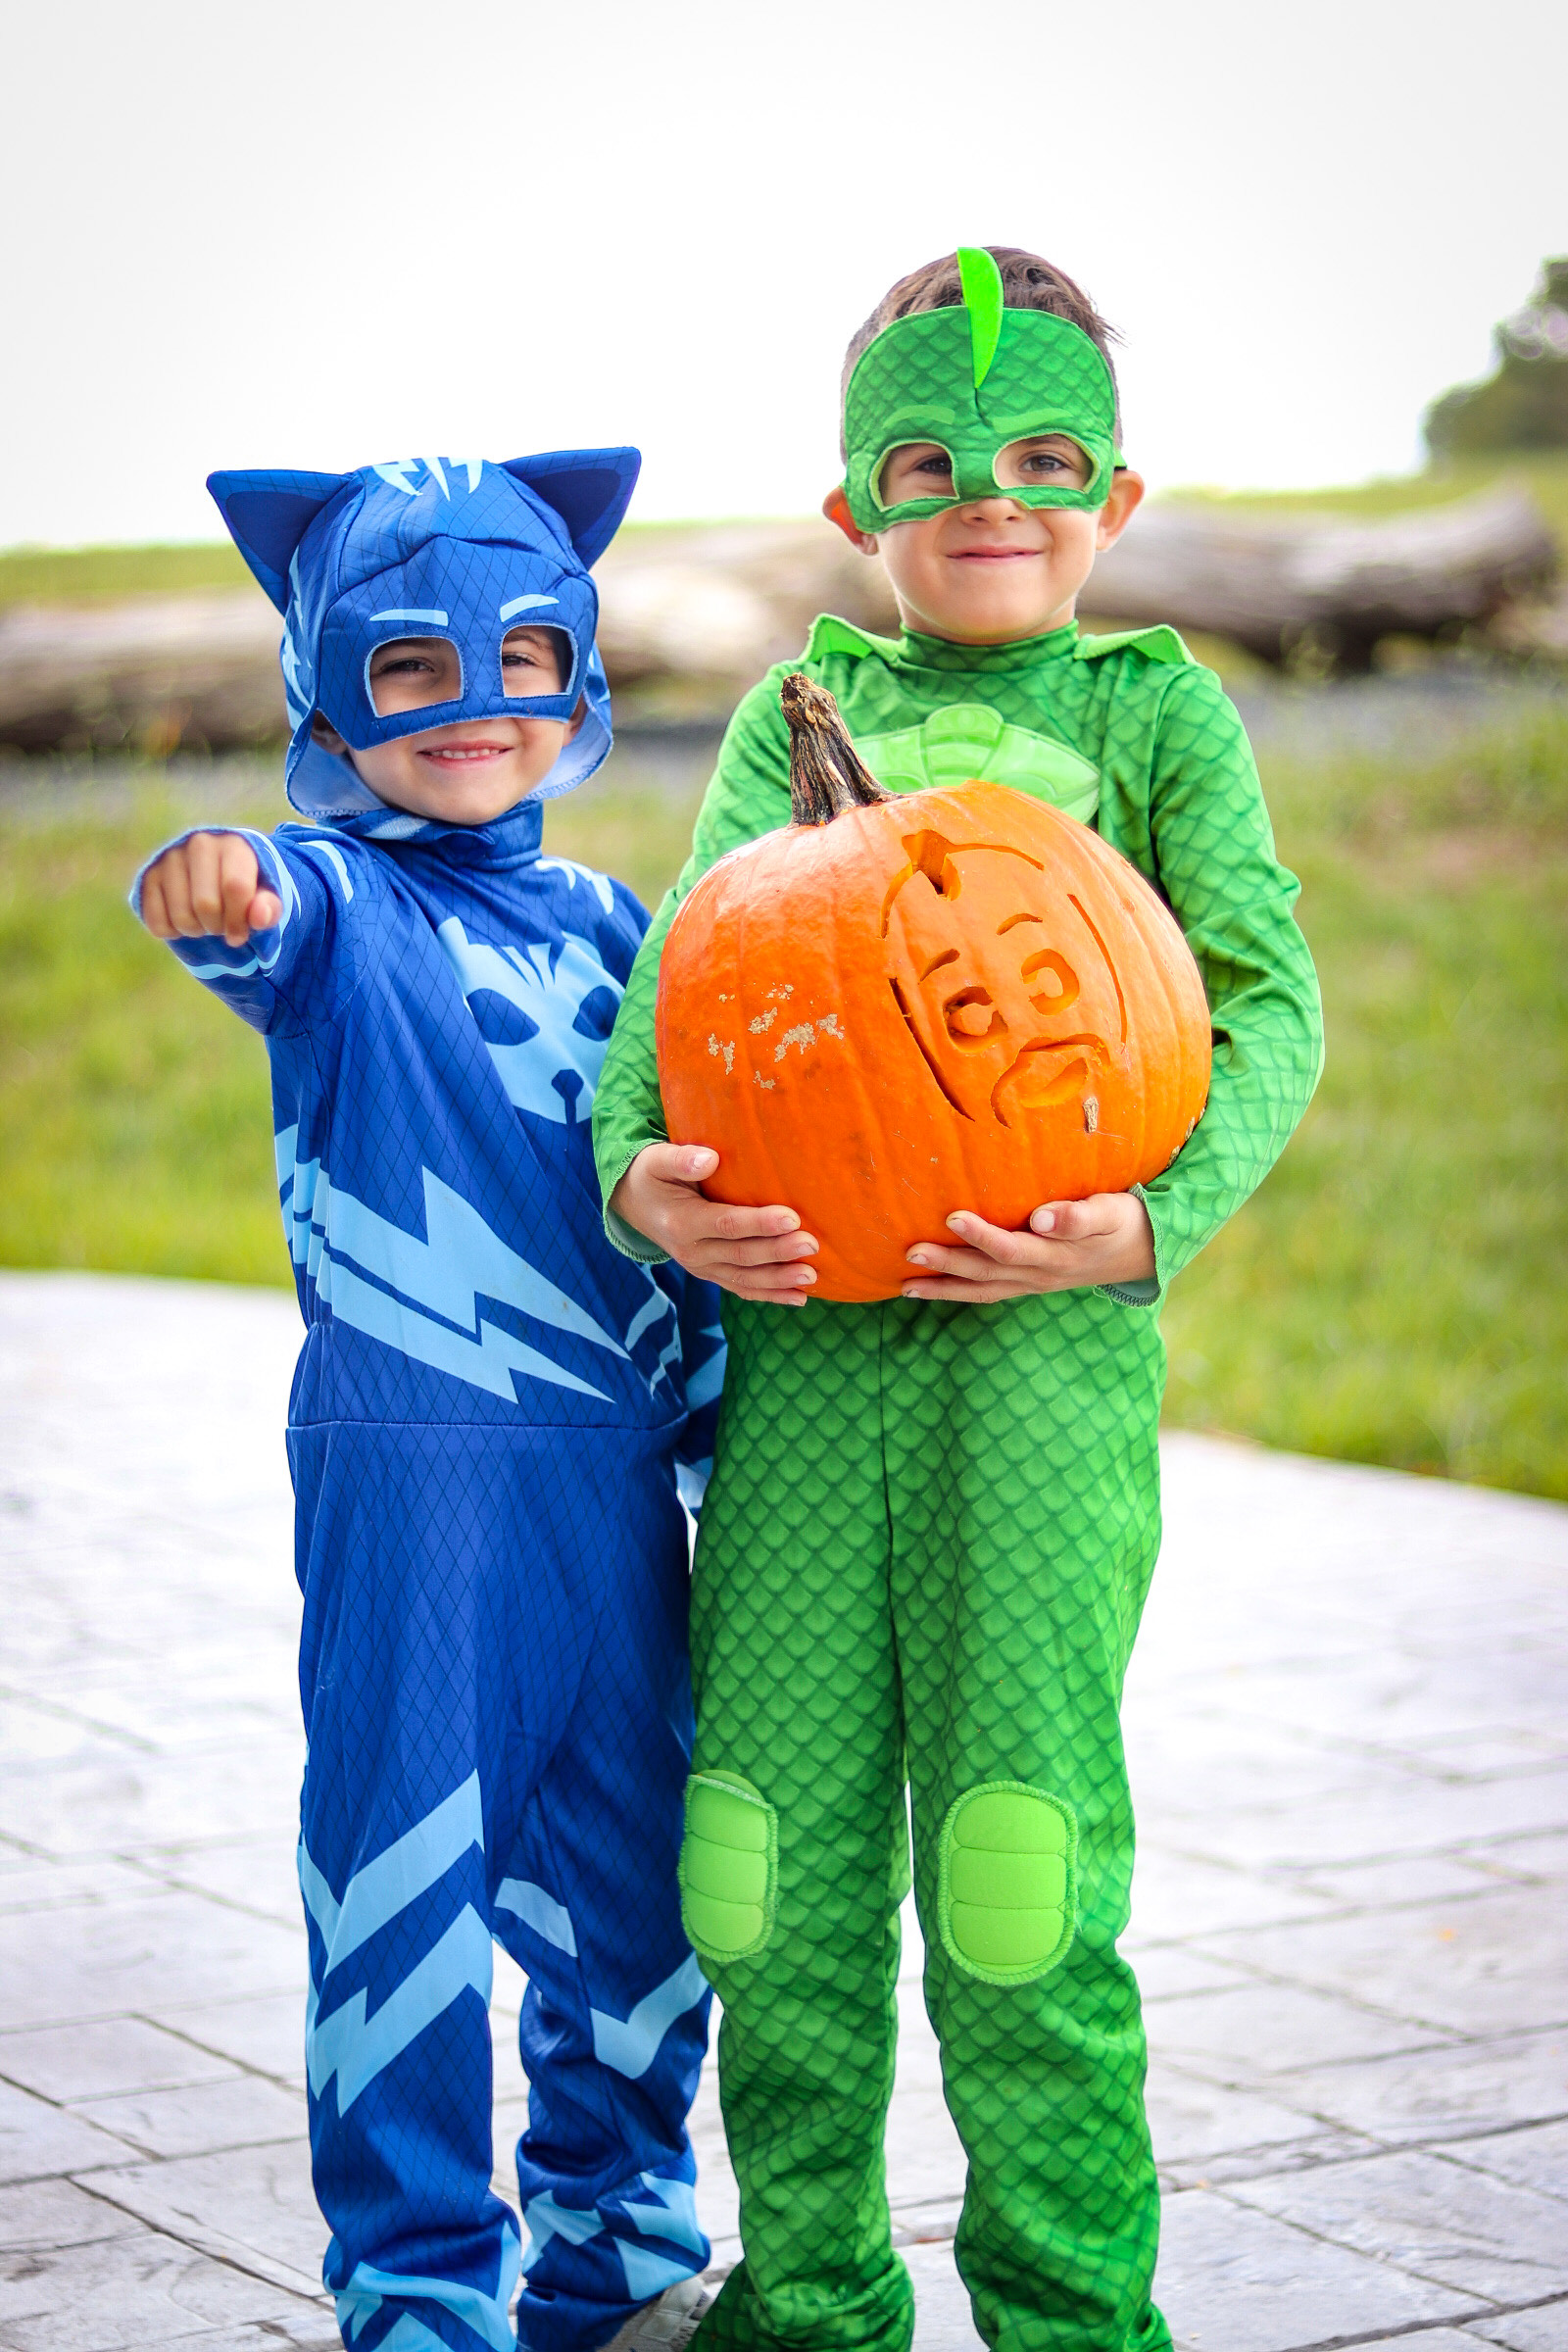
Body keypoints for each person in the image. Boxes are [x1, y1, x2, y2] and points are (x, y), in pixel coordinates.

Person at [592, 250, 1325, 2352]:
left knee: (1012, 1878)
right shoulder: (793, 714)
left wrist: (1152, 1213)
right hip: (810, 1375)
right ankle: (809, 2292)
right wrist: (639, 1176)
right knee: (763, 1868)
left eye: (1038, 459)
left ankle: (1071, 2313)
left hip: (1036, 1382)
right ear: (853, 511)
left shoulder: (1148, 710)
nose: (985, 495)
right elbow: (689, 978)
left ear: (1111, 491)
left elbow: (1260, 995)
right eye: (926, 462)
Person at [132, 450, 725, 2352]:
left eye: (519, 656)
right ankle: (412, 2297)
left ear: (577, 676)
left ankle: (615, 2263)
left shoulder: (623, 924)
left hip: (615, 1481)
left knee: (634, 1893)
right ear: (322, 695)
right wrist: (209, 880)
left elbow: (683, 1168)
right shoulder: (328, 904)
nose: (473, 709)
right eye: (408, 673)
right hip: (415, 1473)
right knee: (400, 1884)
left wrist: (719, 1408)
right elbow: (249, 919)